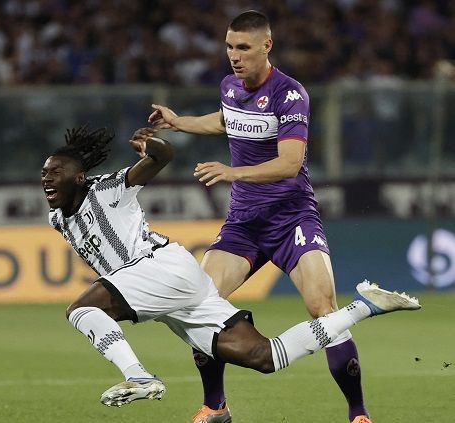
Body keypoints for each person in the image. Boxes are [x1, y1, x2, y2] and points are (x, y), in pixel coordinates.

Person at [42, 125, 419, 412]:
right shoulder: (58, 219)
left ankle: (138, 376)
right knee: (263, 357)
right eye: (44, 173)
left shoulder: (107, 188)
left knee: (81, 310)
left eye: (54, 171)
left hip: (159, 268)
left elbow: (162, 156)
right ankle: (365, 306)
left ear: (78, 177)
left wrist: (151, 146)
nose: (46, 178)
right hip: (169, 290)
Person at [147, 10, 376, 423]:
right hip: (244, 225)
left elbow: (290, 163)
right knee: (199, 305)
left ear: (266, 46)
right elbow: (226, 121)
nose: (234, 56)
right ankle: (215, 407)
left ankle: (358, 414)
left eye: (244, 48)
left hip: (292, 220)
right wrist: (179, 123)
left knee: (324, 309)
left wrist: (233, 172)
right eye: (229, 47)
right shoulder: (230, 87)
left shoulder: (290, 94)